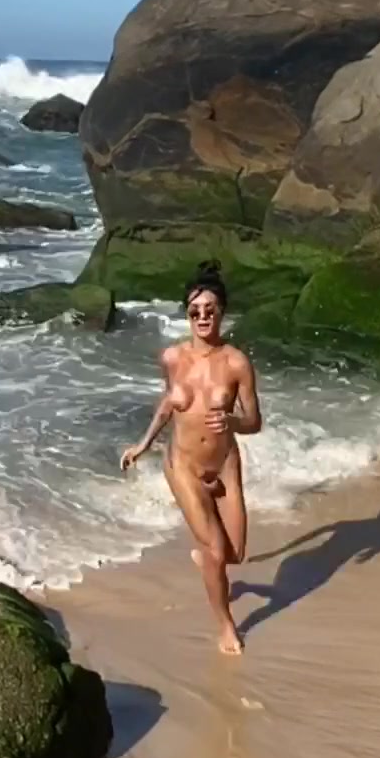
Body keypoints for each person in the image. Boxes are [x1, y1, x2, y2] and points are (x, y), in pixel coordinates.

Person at [120, 260, 262, 654]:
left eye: (209, 310)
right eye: (195, 310)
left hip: (225, 465)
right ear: (187, 314)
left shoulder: (236, 363)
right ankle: (225, 626)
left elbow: (255, 422)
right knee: (217, 551)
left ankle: (208, 559)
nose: (202, 317)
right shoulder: (172, 358)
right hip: (183, 465)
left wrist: (233, 421)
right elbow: (169, 402)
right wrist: (143, 443)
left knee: (234, 554)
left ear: (222, 312)